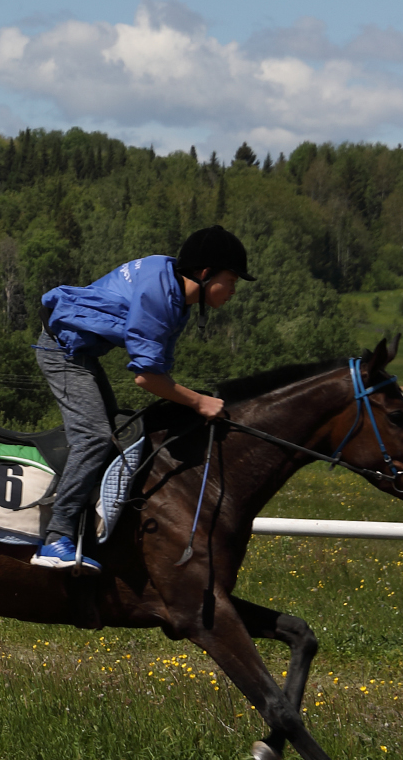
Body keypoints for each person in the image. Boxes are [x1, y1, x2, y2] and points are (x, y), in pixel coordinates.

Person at [30, 225, 253, 571]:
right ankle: (54, 537)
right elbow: (146, 377)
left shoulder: (173, 285)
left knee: (113, 432)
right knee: (94, 436)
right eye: (233, 280)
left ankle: (85, 519)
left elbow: (157, 369)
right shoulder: (161, 294)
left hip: (79, 351)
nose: (234, 290)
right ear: (206, 273)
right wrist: (198, 402)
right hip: (62, 350)